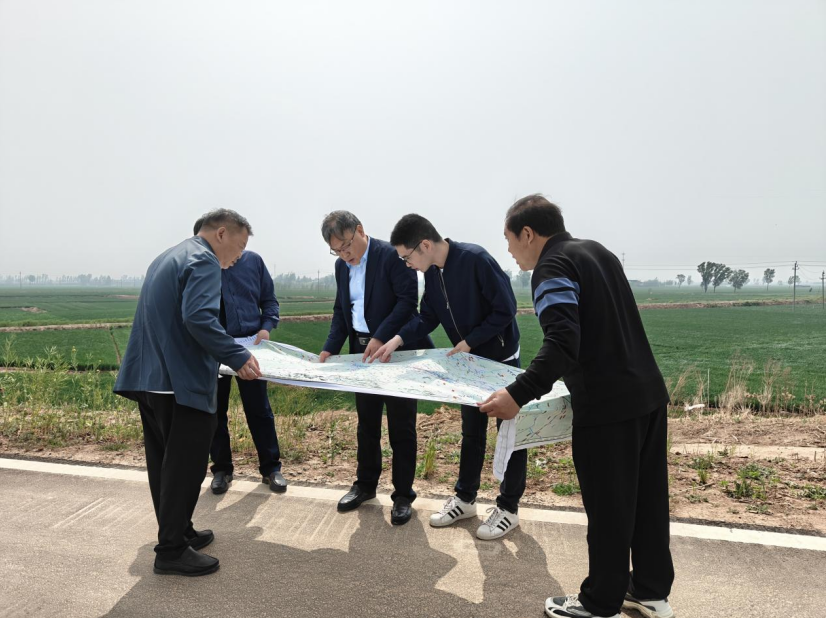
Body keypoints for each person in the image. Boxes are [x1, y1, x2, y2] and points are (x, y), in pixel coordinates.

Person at [478, 195, 675, 618]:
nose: (509, 250)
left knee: (609, 508)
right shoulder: (597, 251)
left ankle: (600, 603)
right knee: (648, 502)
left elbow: (563, 343)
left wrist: (517, 394)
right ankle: (650, 590)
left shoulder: (551, 267)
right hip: (648, 395)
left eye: (509, 240)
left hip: (607, 407)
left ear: (528, 233)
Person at [114, 209, 262, 577]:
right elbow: (198, 318)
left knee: (165, 464)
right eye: (240, 246)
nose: (239, 256)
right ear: (222, 233)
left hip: (149, 378)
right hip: (179, 383)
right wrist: (238, 356)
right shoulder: (204, 260)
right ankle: (171, 550)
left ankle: (180, 530)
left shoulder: (168, 256)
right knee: (186, 467)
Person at [370, 214, 526, 541]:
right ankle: (466, 500)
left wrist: (470, 341)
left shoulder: (476, 260)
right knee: (472, 433)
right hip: (469, 365)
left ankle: (508, 508)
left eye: (407, 257)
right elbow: (428, 315)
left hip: (500, 363)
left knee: (509, 436)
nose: (407, 265)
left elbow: (505, 309)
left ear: (425, 245)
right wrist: (396, 339)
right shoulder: (433, 273)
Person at [319, 210, 433, 526]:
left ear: (359, 230)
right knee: (367, 423)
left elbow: (407, 303)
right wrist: (330, 347)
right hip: (361, 353)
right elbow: (341, 311)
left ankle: (403, 496)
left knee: (401, 426)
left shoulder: (391, 256)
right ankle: (366, 485)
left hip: (395, 351)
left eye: (346, 245)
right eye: (337, 251)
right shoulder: (341, 267)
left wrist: (381, 336)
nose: (344, 254)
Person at [189, 217, 286, 495]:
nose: (239, 251)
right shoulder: (204, 266)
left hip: (250, 347)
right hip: (215, 349)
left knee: (259, 410)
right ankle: (221, 470)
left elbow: (269, 301)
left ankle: (271, 468)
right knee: (215, 411)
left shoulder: (253, 262)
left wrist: (266, 328)